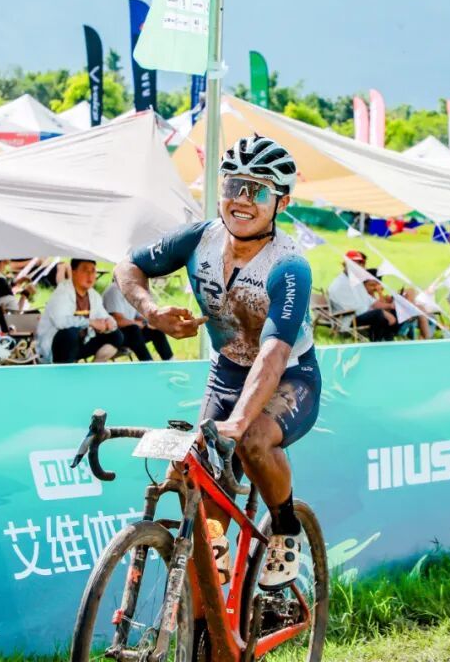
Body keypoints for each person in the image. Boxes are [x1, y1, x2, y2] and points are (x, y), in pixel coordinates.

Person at [114, 134, 319, 590]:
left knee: (253, 440)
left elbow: (274, 352)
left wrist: (238, 424)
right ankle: (209, 611)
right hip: (227, 373)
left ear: (281, 202)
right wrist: (151, 311)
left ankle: (286, 528)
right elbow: (127, 267)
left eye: (257, 190)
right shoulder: (200, 238)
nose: (241, 200)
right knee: (203, 518)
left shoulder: (289, 266)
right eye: (233, 186)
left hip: (288, 376)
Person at [37, 259, 123, 364]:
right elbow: (61, 322)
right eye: (85, 270)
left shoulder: (94, 295)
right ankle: (65, 370)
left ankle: (95, 367)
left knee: (116, 335)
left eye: (93, 271)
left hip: (81, 343)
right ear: (73, 272)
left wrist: (109, 322)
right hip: (57, 347)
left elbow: (103, 315)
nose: (90, 275)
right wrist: (90, 322)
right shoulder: (62, 293)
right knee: (70, 332)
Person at [327, 251, 400, 341]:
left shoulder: (356, 282)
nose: (359, 266)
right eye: (355, 263)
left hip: (361, 315)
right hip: (349, 320)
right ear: (345, 264)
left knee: (393, 311)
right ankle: (377, 341)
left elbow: (371, 302)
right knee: (378, 314)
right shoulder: (339, 284)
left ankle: (388, 341)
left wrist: (390, 306)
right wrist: (377, 311)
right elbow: (353, 309)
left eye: (360, 263)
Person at [103, 282, 174, 361]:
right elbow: (118, 321)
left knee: (155, 329)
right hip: (114, 336)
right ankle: (148, 363)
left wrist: (150, 322)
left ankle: (171, 361)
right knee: (133, 330)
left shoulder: (132, 290)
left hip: (130, 333)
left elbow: (140, 317)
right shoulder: (114, 291)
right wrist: (138, 323)